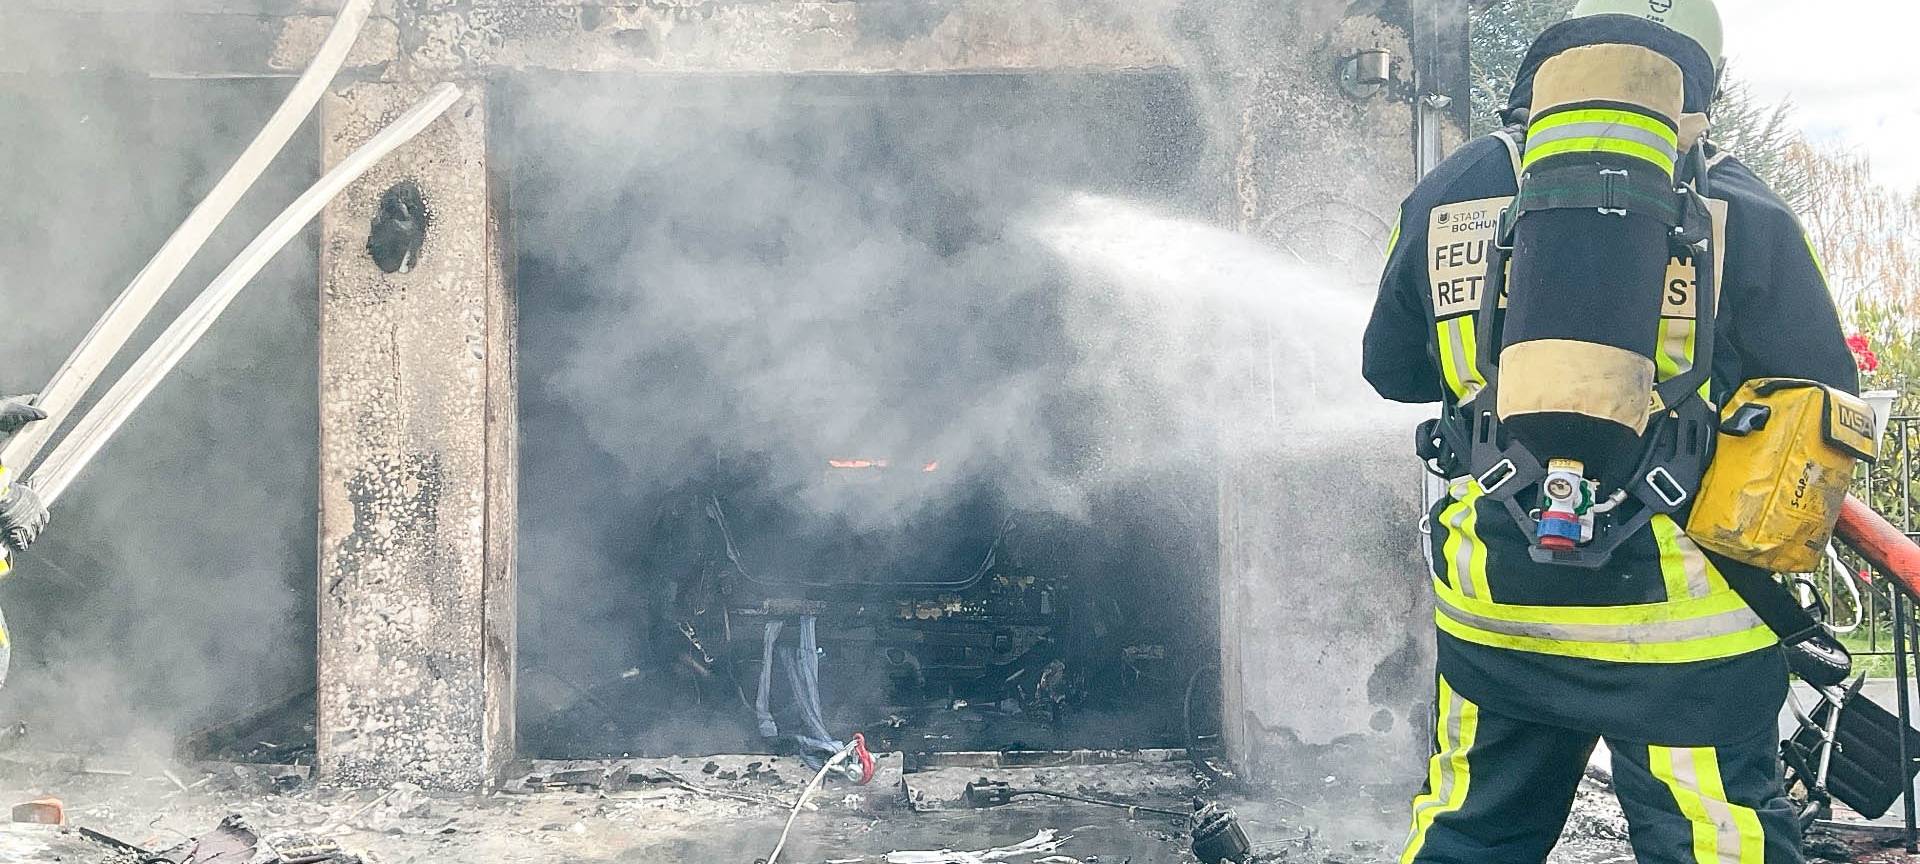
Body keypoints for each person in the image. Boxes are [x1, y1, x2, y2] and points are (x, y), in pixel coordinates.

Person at [1362, 1, 1858, 862]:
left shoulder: (1458, 186)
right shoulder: (1738, 202)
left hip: (1500, 611)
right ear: (1698, 80)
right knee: (1718, 842)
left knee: (1467, 834)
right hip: (1685, 629)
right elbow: (1822, 397)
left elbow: (1393, 370)